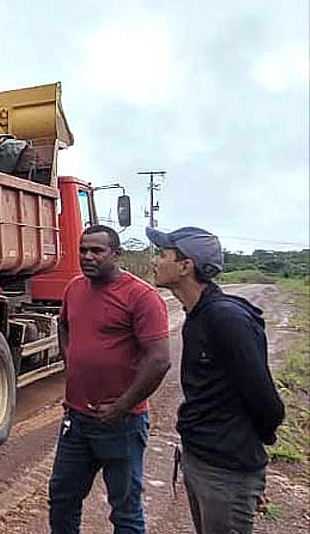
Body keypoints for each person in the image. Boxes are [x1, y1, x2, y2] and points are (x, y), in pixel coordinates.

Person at [147, 226, 284, 534]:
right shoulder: (196, 316)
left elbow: (267, 403)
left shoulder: (227, 319)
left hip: (226, 470)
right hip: (201, 459)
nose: (156, 261)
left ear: (186, 266)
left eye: (163, 254)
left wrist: (247, 460)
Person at [48, 225, 172, 534]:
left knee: (125, 511)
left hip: (122, 424)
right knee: (62, 498)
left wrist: (122, 405)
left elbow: (159, 360)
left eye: (97, 251)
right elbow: (63, 326)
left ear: (116, 254)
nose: (87, 257)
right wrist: (71, 360)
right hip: (76, 420)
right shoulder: (74, 288)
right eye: (83, 250)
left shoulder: (142, 296)